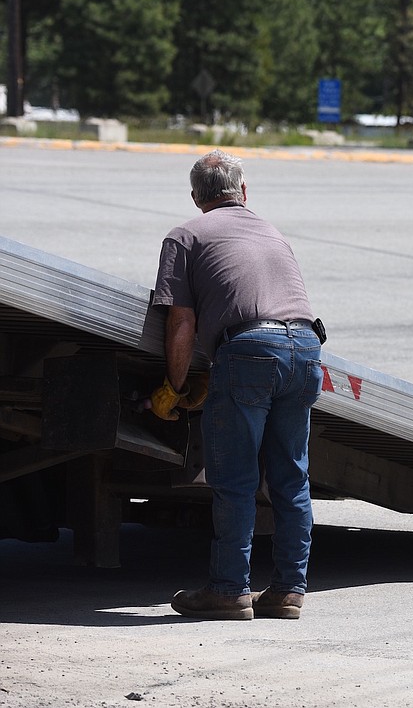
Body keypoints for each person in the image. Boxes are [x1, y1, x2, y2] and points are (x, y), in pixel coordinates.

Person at [149, 149, 323, 621]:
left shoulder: (185, 235)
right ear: (243, 192)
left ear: (195, 198)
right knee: (291, 478)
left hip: (248, 352)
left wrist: (175, 387)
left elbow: (181, 322)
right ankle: (289, 591)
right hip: (306, 348)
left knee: (235, 480)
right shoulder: (271, 231)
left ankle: (229, 590)